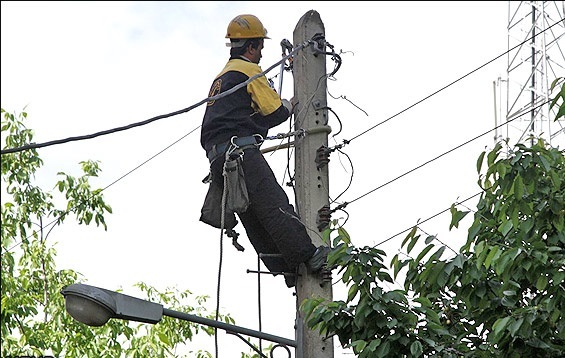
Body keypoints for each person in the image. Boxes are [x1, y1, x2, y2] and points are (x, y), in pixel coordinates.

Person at [200, 14, 329, 288]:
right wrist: (290, 104)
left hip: (220, 161)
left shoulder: (221, 78)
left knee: (252, 217)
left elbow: (253, 121)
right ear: (251, 47)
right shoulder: (248, 72)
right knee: (273, 205)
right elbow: (274, 111)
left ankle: (286, 268)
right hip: (241, 155)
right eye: (259, 47)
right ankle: (309, 256)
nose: (260, 54)